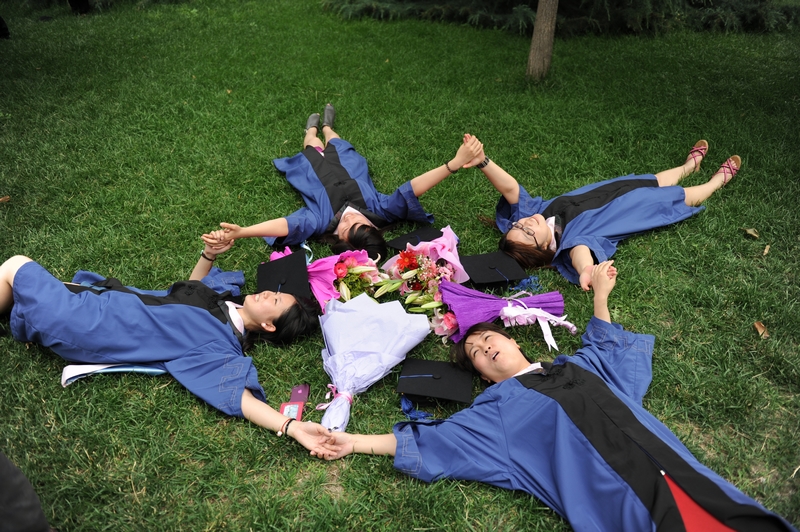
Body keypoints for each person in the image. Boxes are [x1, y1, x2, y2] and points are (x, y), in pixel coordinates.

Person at [312, 262, 795, 532]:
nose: (485, 348)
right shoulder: (496, 411)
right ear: (484, 377)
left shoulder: (576, 366)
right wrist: (354, 442)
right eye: (477, 355)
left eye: (488, 339)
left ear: (514, 341)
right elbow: (435, 441)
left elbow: (605, 344)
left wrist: (601, 293)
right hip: (626, 505)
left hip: (687, 477)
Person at [0, 240, 327, 452]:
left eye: (275, 301)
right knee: (17, 289)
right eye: (276, 292)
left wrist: (291, 427)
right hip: (103, 302)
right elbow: (189, 291)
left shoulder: (220, 346)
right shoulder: (224, 302)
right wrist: (208, 255)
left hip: (90, 324)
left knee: (16, 266)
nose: (269, 293)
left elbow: (240, 399)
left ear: (269, 326)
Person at [203, 104, 483, 261]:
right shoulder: (381, 211)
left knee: (311, 145)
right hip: (348, 164)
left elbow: (287, 225)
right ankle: (328, 126)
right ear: (375, 227)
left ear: (341, 240)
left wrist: (243, 232)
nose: (349, 220)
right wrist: (453, 164)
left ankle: (312, 129)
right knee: (337, 142)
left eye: (347, 229)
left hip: (313, 170)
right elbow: (412, 188)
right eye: (361, 223)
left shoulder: (320, 223)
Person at [468, 136, 741, 290]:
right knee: (680, 196)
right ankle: (715, 182)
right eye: (528, 232)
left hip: (613, 190)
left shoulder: (538, 213)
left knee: (652, 179)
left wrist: (483, 162)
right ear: (543, 249)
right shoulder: (570, 241)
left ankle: (688, 167)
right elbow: (580, 255)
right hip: (638, 207)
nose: (526, 222)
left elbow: (511, 189)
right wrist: (587, 272)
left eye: (518, 225)